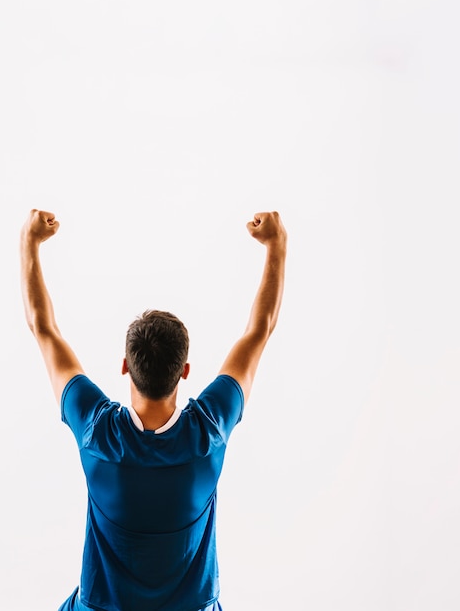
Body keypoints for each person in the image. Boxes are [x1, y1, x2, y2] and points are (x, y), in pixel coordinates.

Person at [20, 208, 287, 611]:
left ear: (126, 365)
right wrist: (276, 246)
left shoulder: (96, 431)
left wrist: (30, 241)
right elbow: (259, 329)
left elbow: (44, 327)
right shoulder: (209, 431)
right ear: (185, 372)